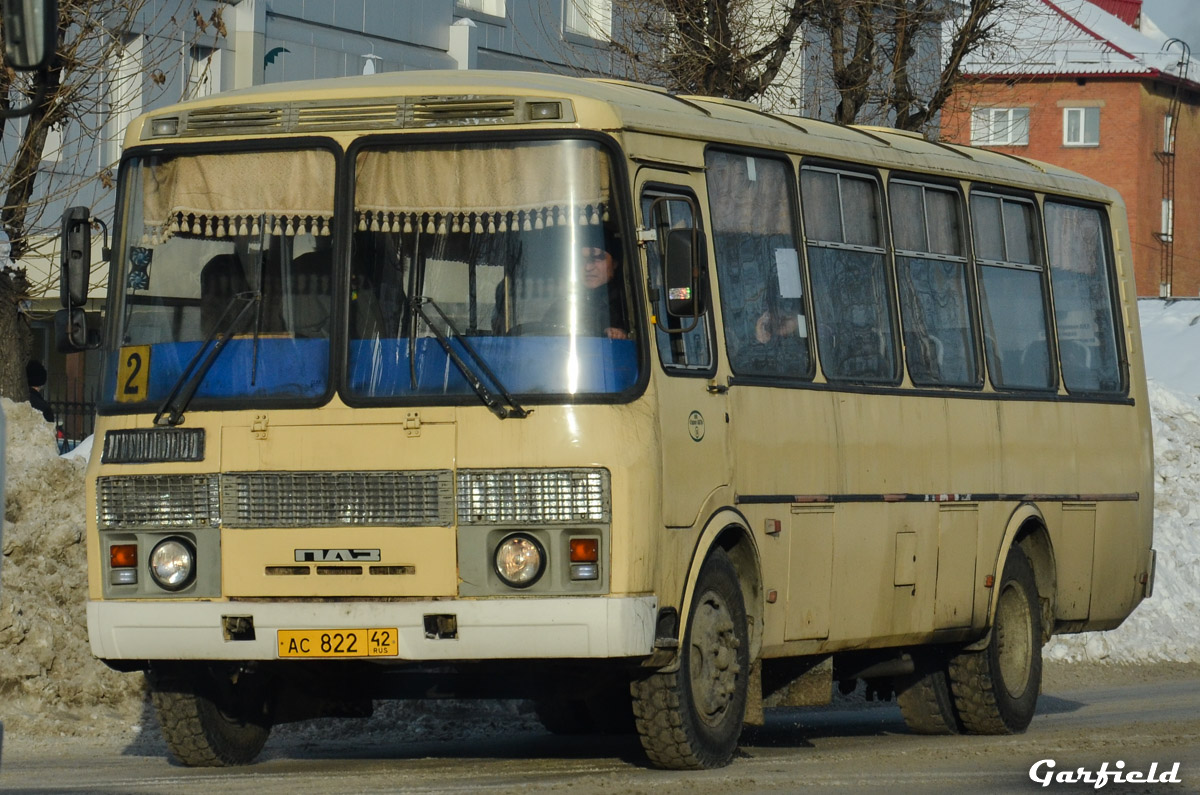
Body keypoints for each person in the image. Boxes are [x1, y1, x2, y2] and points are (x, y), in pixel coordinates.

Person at [576, 234, 629, 340]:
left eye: (598, 258)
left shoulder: (630, 304)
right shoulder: (565, 305)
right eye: (582, 260)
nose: (588, 267)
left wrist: (621, 335)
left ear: (615, 263)